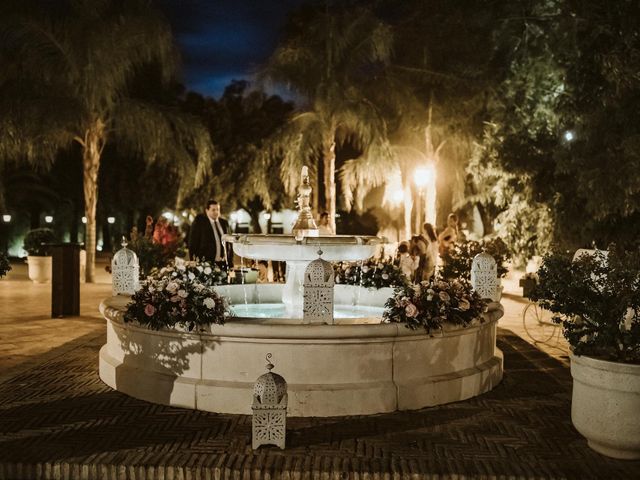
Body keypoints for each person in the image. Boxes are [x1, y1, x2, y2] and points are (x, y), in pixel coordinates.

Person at [188, 199, 233, 269]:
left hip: (223, 263)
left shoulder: (224, 223)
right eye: (213, 210)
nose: (216, 212)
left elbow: (230, 243)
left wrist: (230, 262)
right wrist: (193, 261)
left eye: (218, 209)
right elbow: (193, 242)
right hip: (206, 265)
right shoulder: (200, 223)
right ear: (207, 211)